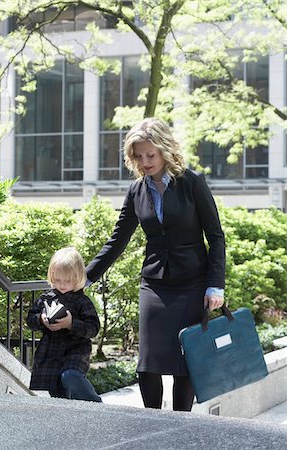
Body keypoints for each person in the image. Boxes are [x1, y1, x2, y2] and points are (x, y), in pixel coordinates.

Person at [86, 117, 225, 411]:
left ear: (165, 150)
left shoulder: (192, 182)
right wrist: (86, 277)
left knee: (184, 362)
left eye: (151, 154)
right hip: (154, 284)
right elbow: (117, 240)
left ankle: (180, 424)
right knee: (147, 363)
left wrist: (215, 285)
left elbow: (215, 236)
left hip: (193, 283)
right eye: (139, 156)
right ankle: (151, 421)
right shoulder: (137, 190)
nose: (145, 161)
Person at [27, 247, 102, 402]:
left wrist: (70, 324)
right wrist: (41, 320)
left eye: (66, 281)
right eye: (57, 280)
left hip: (75, 350)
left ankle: (95, 404)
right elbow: (30, 319)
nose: (61, 285)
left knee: (71, 377)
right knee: (55, 391)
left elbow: (93, 328)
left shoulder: (82, 301)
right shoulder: (46, 298)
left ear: (77, 278)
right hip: (50, 351)